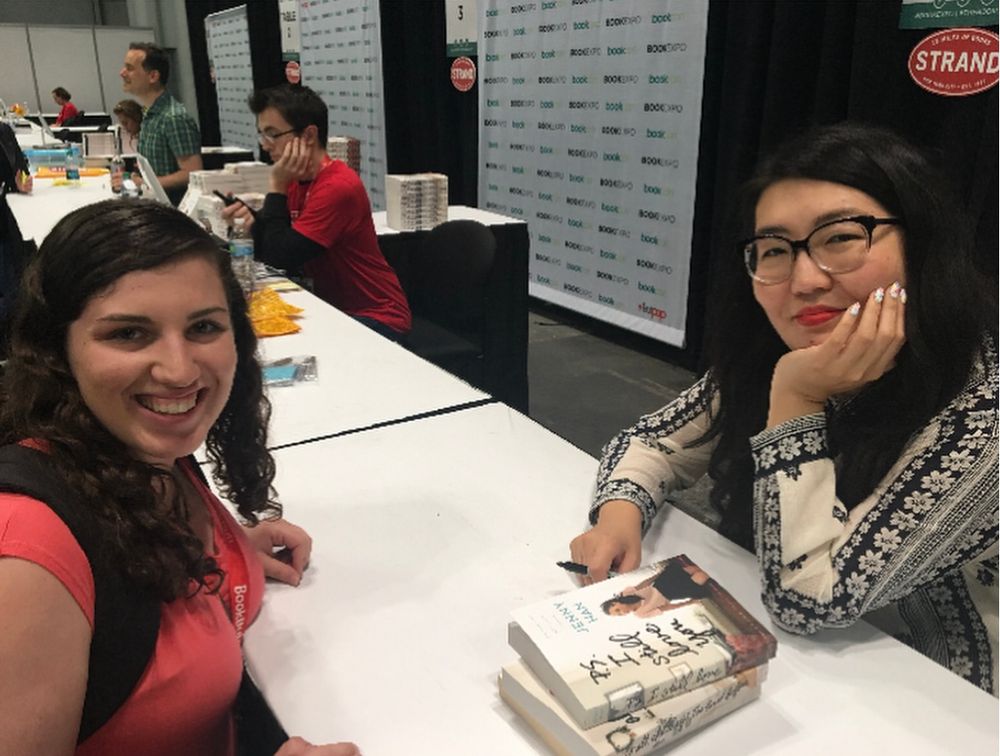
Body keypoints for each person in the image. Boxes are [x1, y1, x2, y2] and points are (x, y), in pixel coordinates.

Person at [570, 122, 999, 694]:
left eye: (841, 239)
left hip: (941, 694)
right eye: (774, 250)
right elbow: (653, 442)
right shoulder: (786, 355)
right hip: (799, 666)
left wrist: (797, 402)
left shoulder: (981, 413)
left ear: (920, 245)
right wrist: (618, 513)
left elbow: (811, 601)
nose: (803, 279)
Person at [0, 199, 359, 755]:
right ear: (57, 349)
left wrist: (230, 552)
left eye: (204, 327)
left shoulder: (147, 454)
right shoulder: (30, 554)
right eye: (128, 334)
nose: (180, 370)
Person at [220, 84, 410, 340]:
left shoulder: (337, 186)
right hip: (334, 308)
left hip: (377, 315)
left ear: (309, 135)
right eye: (262, 135)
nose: (266, 145)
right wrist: (250, 221)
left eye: (273, 134)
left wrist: (276, 187)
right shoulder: (298, 180)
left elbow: (282, 255)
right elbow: (269, 245)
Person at [120, 42, 202, 204]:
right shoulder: (150, 114)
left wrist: (145, 183)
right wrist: (134, 178)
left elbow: (192, 172)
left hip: (170, 212)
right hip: (153, 205)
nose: (122, 73)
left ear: (153, 76)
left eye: (129, 68)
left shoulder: (173, 118)